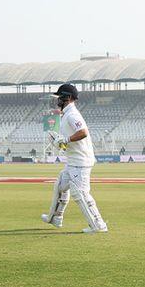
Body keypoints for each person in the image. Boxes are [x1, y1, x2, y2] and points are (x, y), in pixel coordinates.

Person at [40, 83, 108, 234]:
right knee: (60, 186)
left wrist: (66, 140)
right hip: (73, 161)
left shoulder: (73, 115)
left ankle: (98, 225)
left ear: (68, 97)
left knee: (81, 193)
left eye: (60, 97)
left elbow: (83, 132)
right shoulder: (65, 114)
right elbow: (67, 141)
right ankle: (55, 218)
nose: (58, 100)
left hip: (81, 162)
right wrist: (60, 142)